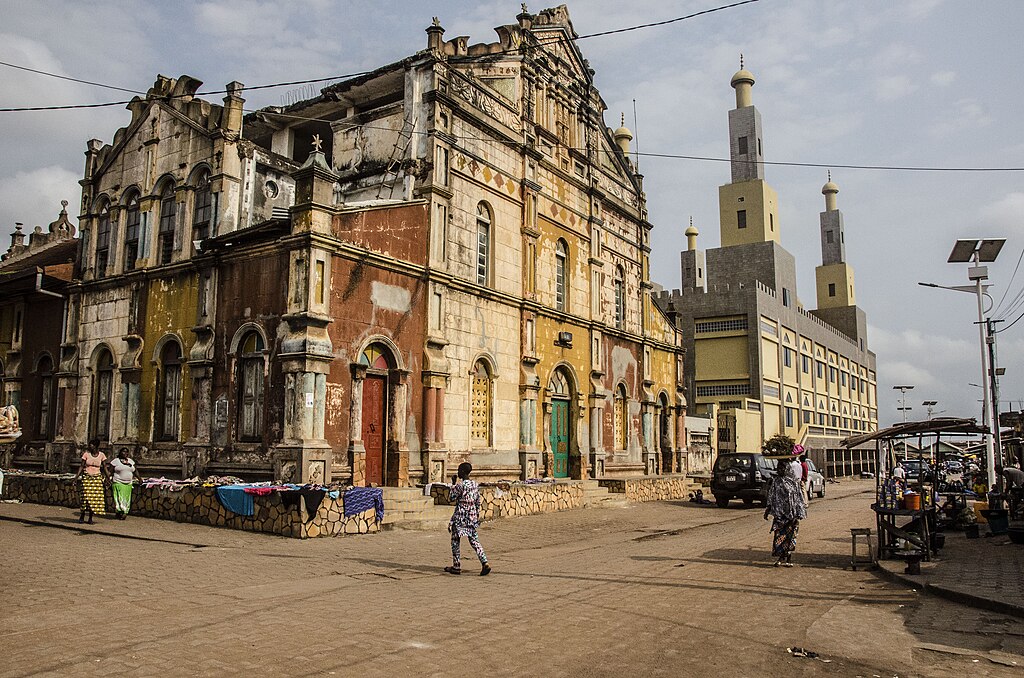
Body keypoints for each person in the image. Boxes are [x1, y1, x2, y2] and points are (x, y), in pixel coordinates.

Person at [444, 462, 491, 576]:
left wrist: (453, 484)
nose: (458, 472)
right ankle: (484, 562)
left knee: (455, 541)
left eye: (459, 470)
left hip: (460, 516)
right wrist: (476, 515)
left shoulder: (461, 486)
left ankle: (456, 566)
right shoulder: (475, 485)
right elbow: (477, 501)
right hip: (471, 516)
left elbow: (451, 498)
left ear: (463, 472)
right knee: (474, 540)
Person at [763, 461, 807, 567]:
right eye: (778, 468)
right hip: (779, 515)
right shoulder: (776, 481)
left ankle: (788, 558)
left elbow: (799, 499)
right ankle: (780, 557)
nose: (779, 470)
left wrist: (799, 514)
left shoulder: (794, 482)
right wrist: (767, 510)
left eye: (782, 468)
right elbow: (771, 495)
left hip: (792, 515)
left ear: (787, 468)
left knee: (790, 537)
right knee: (779, 536)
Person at [74, 439, 107, 524]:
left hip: (97, 478)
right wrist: (76, 477)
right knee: (85, 497)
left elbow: (105, 468)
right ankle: (82, 515)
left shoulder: (102, 455)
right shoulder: (86, 454)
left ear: (96, 446)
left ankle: (90, 517)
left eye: (91, 445)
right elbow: (81, 466)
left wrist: (108, 478)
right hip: (87, 477)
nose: (90, 446)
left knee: (94, 499)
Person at [108, 447, 140, 520]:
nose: (125, 453)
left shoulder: (131, 462)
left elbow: (135, 471)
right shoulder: (115, 461)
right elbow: (110, 471)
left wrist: (139, 478)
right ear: (120, 453)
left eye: (127, 452)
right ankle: (119, 511)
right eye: (124, 452)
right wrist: (106, 478)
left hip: (128, 483)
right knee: (119, 498)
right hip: (118, 482)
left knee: (126, 499)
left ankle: (125, 511)